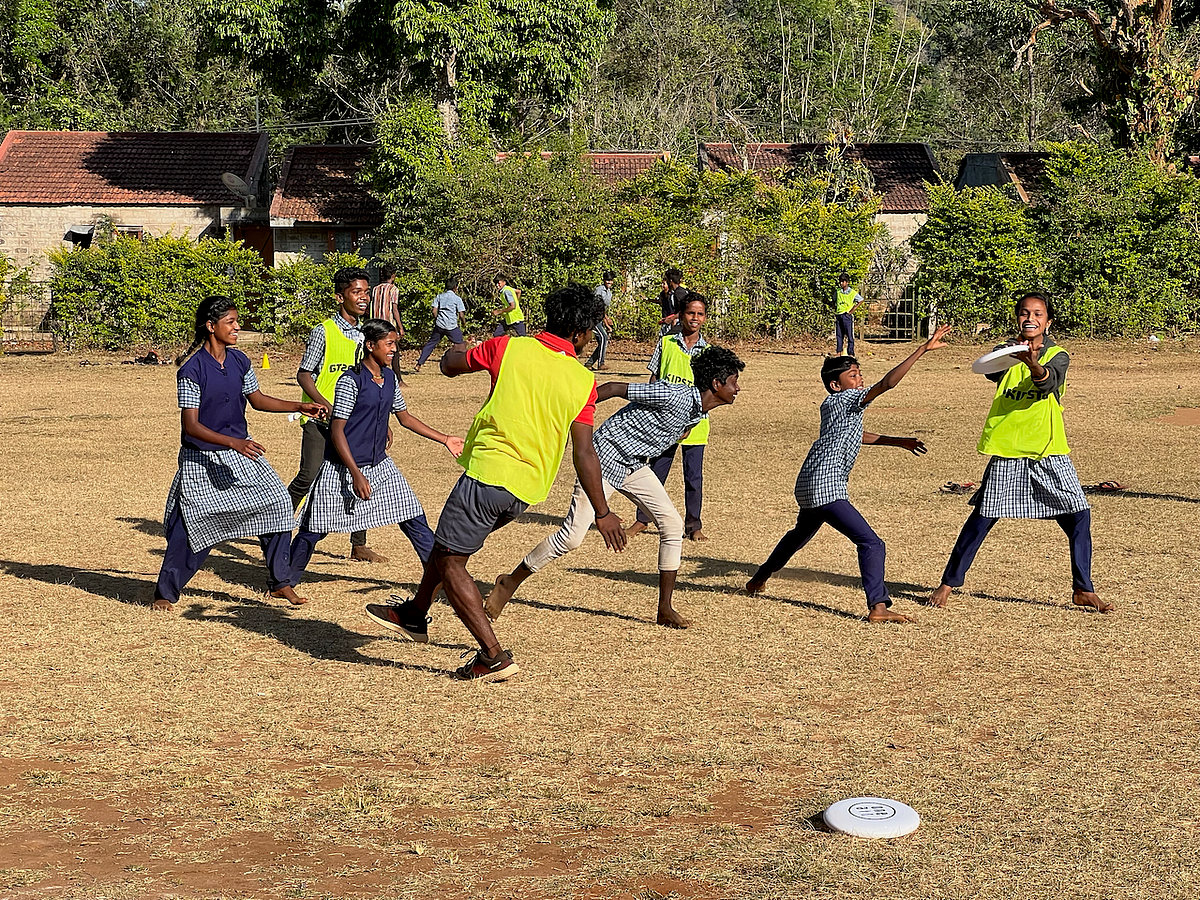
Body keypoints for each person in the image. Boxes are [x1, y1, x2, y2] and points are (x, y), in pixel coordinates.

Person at [364, 284, 625, 682]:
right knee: (446, 546)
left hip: (487, 474)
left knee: (452, 562)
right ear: (580, 333)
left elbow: (450, 364)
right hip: (524, 491)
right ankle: (414, 613)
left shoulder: (510, 347)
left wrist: (459, 349)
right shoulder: (582, 380)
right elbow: (584, 453)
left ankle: (493, 656)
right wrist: (602, 513)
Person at [485, 346, 745, 629]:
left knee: (672, 525)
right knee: (572, 538)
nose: (738, 388)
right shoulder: (673, 394)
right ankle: (509, 582)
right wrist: (577, 412)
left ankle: (665, 609)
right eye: (733, 381)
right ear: (716, 384)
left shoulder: (699, 413)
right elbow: (616, 387)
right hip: (602, 460)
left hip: (633, 465)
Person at [746, 325, 954, 623]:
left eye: (859, 374)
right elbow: (887, 384)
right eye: (853, 376)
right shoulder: (846, 399)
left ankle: (757, 580)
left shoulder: (835, 405)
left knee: (798, 537)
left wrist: (898, 442)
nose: (860, 379)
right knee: (872, 543)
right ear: (836, 385)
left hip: (809, 483)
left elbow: (858, 434)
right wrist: (921, 349)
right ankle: (878, 607)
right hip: (826, 486)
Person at [929, 293, 1110, 613]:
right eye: (1025, 312)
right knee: (983, 518)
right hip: (1009, 448)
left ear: (1048, 321)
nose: (1031, 318)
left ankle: (1083, 589)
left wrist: (1033, 363)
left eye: (1038, 314)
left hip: (1047, 449)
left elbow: (1048, 384)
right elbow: (988, 369)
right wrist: (1017, 354)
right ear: (1017, 318)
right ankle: (948, 583)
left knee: (1079, 515)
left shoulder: (1058, 355)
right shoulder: (1004, 353)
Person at [152, 296, 327, 612]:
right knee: (192, 523)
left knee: (276, 503)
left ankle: (280, 582)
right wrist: (233, 443)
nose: (237, 327)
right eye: (231, 322)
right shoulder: (191, 370)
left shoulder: (240, 361)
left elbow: (257, 399)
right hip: (201, 457)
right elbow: (191, 426)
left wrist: (299, 405)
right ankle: (166, 592)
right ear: (211, 326)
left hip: (240, 452)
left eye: (237, 321)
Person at [288, 319, 464, 590]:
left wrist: (445, 439)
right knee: (314, 529)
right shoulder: (350, 380)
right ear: (371, 346)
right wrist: (356, 474)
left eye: (396, 343)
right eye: (389, 343)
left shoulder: (390, 377)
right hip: (343, 468)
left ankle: (441, 580)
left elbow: (404, 418)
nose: (394, 349)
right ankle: (284, 581)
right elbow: (337, 432)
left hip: (380, 466)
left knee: (414, 518)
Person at [288, 266, 385, 563]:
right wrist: (321, 403)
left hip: (354, 422)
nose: (363, 298)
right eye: (357, 292)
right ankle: (275, 525)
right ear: (339, 297)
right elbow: (304, 375)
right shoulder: (323, 332)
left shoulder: (366, 335)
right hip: (320, 421)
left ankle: (359, 544)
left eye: (366, 292)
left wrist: (381, 419)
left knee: (360, 477)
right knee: (309, 476)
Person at [627, 294, 712, 542]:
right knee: (654, 474)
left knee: (693, 477)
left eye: (700, 314)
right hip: (664, 423)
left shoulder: (707, 352)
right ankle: (642, 520)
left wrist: (691, 423)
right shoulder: (665, 343)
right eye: (690, 313)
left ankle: (693, 526)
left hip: (695, 426)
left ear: (705, 318)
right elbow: (653, 381)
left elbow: (708, 393)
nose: (695, 318)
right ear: (681, 315)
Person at [415, 276, 468, 371]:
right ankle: (462, 365)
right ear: (455, 288)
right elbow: (461, 314)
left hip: (440, 325)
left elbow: (434, 311)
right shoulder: (457, 299)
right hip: (451, 326)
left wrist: (437, 319)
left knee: (431, 344)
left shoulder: (439, 296)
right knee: (460, 345)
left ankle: (419, 364)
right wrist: (464, 323)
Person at [369, 264, 407, 384]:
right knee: (394, 351)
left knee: (376, 351)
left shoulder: (376, 289)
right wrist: (400, 327)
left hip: (375, 324)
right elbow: (394, 309)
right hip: (388, 325)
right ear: (393, 276)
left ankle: (375, 374)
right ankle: (399, 379)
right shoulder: (393, 289)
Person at [641, 267, 688, 333]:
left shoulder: (679, 293)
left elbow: (685, 310)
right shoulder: (674, 293)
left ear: (670, 281)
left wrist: (672, 319)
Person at [586, 271, 616, 370]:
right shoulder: (599, 290)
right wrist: (606, 321)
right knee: (604, 337)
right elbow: (596, 307)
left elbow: (602, 309)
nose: (609, 282)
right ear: (604, 280)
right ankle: (601, 363)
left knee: (602, 341)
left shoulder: (609, 293)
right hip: (592, 317)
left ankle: (589, 363)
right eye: (608, 280)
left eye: (611, 280)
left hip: (599, 318)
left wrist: (606, 321)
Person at [833, 273, 864, 356]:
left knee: (849, 335)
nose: (841, 283)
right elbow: (834, 300)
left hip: (846, 316)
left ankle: (851, 352)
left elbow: (860, 300)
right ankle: (839, 352)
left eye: (843, 281)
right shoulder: (838, 291)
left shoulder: (852, 292)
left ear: (847, 282)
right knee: (839, 335)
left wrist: (851, 311)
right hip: (839, 315)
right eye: (840, 281)